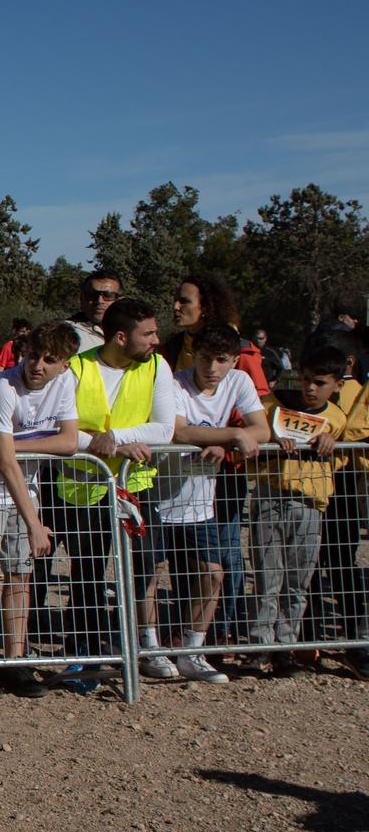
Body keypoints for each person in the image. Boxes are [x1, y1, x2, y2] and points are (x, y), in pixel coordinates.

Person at [53, 296, 177, 692]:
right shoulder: (76, 368)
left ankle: (133, 647)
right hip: (81, 488)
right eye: (149, 333)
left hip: (133, 488)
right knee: (86, 575)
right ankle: (83, 657)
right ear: (121, 337)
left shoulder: (157, 366)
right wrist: (101, 445)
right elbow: (63, 429)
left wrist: (117, 439)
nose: (156, 340)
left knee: (141, 572)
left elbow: (164, 429)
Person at [138, 323, 268, 684]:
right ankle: (151, 648)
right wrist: (231, 436)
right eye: (206, 358)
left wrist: (228, 442)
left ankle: (192, 650)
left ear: (234, 360)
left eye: (221, 360)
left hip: (201, 501)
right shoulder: (174, 383)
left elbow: (261, 429)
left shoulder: (239, 382)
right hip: (156, 494)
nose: (212, 367)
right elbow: (179, 430)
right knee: (148, 574)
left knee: (212, 574)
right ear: (194, 355)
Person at [0, 321, 79, 698]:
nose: (38, 365)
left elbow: (68, 442)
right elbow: (7, 463)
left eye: (50, 359)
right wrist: (35, 523)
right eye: (33, 356)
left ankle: (16, 661)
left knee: (20, 575)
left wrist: (12, 445)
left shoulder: (65, 384)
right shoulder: (1, 387)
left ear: (65, 364)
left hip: (24, 486)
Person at [249, 344, 347, 667]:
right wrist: (270, 441)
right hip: (270, 495)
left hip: (309, 504)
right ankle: (260, 646)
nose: (310, 388)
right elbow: (255, 441)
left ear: (337, 385)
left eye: (319, 382)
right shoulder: (272, 406)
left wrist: (332, 445)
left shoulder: (337, 418)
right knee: (267, 576)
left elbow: (340, 459)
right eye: (305, 380)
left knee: (297, 581)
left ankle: (285, 648)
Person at [64, 271, 123, 354]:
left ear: (120, 301)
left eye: (108, 295)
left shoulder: (134, 333)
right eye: (91, 294)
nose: (99, 301)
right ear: (82, 299)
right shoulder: (64, 333)